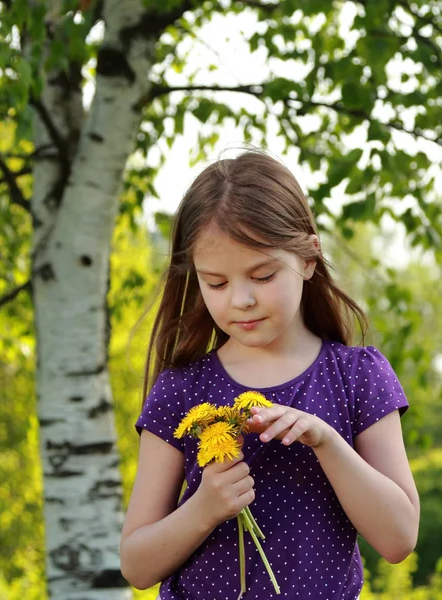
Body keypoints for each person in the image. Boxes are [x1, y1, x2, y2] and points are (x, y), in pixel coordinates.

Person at [120, 150, 420, 600]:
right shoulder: (181, 389)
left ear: (308, 258)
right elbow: (136, 565)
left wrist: (327, 442)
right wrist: (205, 508)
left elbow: (399, 538)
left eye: (262, 276)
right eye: (216, 283)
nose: (240, 299)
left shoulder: (357, 376)